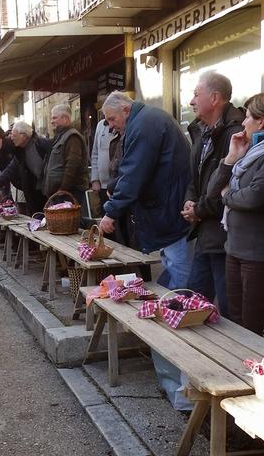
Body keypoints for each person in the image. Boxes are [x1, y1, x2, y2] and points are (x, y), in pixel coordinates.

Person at [100, 92, 192, 289]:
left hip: (170, 206)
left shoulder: (144, 124)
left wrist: (111, 211)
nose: (110, 125)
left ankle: (178, 310)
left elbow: (134, 173)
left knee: (177, 264)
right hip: (168, 204)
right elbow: (135, 170)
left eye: (111, 118)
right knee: (172, 261)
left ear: (126, 109)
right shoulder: (145, 120)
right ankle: (172, 307)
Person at [182, 71, 244, 315]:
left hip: (223, 235)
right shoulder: (201, 131)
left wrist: (198, 209)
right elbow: (195, 177)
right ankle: (193, 353)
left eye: (197, 94)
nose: (191, 101)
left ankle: (234, 353)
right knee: (193, 301)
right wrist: (190, 200)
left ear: (215, 97)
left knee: (228, 310)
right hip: (205, 232)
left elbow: (227, 187)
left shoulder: (234, 133)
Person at [208, 92, 264, 335]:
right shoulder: (249, 153)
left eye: (247, 117)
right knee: (233, 316)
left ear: (261, 121)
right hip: (234, 247)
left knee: (251, 321)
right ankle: (237, 368)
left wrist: (227, 196)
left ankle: (251, 370)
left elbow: (254, 196)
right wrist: (232, 157)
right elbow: (213, 190)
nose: (243, 123)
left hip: (257, 252)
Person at [0, 121, 51, 215]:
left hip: (47, 193)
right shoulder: (20, 151)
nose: (11, 138)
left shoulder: (41, 145)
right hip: (33, 195)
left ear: (24, 136)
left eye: (14, 135)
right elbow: (9, 170)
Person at [41, 104, 88, 204]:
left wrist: (63, 188)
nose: (51, 121)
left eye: (54, 118)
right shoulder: (60, 137)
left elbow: (72, 164)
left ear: (65, 118)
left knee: (71, 219)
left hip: (68, 192)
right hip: (60, 192)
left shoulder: (72, 137)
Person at [90, 118, 118, 211]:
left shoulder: (120, 124)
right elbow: (95, 153)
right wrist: (95, 179)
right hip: (103, 185)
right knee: (104, 218)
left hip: (118, 185)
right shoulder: (100, 125)